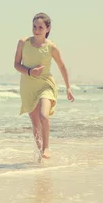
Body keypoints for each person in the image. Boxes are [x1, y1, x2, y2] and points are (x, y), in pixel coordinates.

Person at [14, 13, 74, 160]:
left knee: (43, 116)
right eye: (34, 27)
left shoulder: (51, 47)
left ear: (48, 28)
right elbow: (16, 65)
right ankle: (40, 154)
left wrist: (68, 88)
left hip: (45, 85)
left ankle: (46, 147)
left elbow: (62, 66)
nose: (36, 30)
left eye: (40, 27)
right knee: (35, 123)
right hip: (28, 86)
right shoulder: (23, 43)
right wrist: (30, 71)